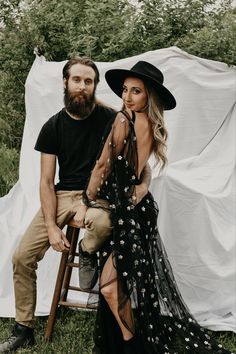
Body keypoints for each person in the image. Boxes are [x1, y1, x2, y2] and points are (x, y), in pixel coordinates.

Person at [74, 61, 234, 354]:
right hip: (137, 210)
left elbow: (100, 167)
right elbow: (142, 167)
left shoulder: (124, 120)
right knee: (119, 284)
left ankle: (130, 342)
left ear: (150, 96)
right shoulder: (146, 122)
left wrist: (85, 203)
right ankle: (128, 337)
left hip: (126, 214)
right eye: (125, 90)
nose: (127, 97)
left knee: (110, 286)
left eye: (136, 91)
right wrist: (144, 185)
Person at [0, 56, 151, 353]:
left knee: (104, 223)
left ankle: (87, 250)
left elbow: (141, 164)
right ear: (65, 83)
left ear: (95, 86)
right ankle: (23, 329)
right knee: (21, 256)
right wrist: (52, 227)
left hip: (97, 197)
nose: (83, 86)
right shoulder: (52, 126)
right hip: (61, 196)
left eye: (89, 81)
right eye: (77, 80)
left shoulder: (112, 118)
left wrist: (143, 186)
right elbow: (45, 182)